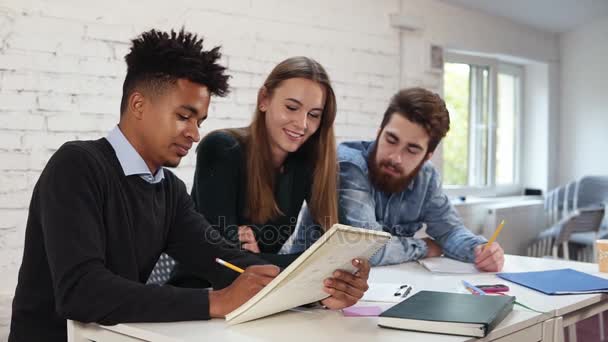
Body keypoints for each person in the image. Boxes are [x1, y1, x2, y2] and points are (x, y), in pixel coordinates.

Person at [9, 29, 370, 342]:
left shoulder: (168, 190)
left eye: (199, 120)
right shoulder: (76, 166)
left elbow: (227, 260)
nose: (195, 134)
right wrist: (214, 301)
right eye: (184, 116)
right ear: (138, 104)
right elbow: (81, 291)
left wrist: (322, 286)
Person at [288, 87, 504, 272]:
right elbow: (368, 249)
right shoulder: (348, 166)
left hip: (381, 286)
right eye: (391, 140)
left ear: (427, 156)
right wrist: (426, 247)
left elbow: (449, 231)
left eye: (412, 149)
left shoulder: (426, 178)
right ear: (379, 132)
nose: (395, 157)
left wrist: (480, 250)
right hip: (311, 290)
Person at [168, 56, 339, 286]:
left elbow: (330, 253)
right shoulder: (222, 149)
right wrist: (320, 267)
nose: (302, 124)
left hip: (263, 296)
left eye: (314, 115)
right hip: (203, 296)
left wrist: (255, 260)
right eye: (291, 107)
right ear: (264, 99)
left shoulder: (304, 165)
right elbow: (224, 262)